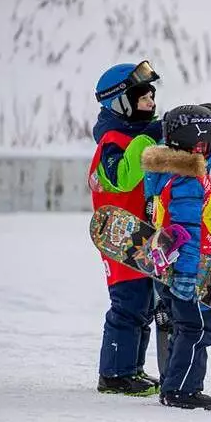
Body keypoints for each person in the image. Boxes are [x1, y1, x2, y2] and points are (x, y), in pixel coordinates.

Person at [141, 103, 211, 410]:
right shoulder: (189, 178)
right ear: (199, 142)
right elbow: (185, 227)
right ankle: (181, 389)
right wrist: (188, 275)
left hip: (170, 264)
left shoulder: (172, 171)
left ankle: (175, 383)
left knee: (184, 325)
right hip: (186, 268)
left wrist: (210, 218)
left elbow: (179, 216)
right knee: (198, 327)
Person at [89, 60, 163, 396]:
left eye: (151, 95)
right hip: (118, 236)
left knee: (145, 305)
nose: (151, 102)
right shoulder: (113, 141)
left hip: (142, 236)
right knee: (128, 305)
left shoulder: (138, 137)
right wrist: (149, 137)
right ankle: (114, 375)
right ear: (121, 102)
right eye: (143, 97)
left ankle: (132, 368)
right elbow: (121, 178)